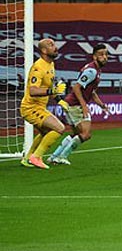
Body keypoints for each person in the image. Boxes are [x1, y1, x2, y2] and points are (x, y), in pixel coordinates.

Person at [47, 44, 110, 165]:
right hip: (75, 105)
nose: (105, 57)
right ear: (94, 56)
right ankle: (62, 157)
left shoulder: (96, 70)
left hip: (70, 103)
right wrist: (84, 105)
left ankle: (54, 156)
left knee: (76, 134)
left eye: (106, 54)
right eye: (101, 54)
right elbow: (76, 87)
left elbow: (91, 92)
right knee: (85, 134)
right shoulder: (91, 71)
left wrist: (101, 105)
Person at [19, 38, 67, 169]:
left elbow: (49, 87)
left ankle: (28, 158)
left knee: (46, 132)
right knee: (59, 128)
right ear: (44, 50)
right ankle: (37, 157)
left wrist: (59, 100)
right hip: (31, 107)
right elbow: (33, 90)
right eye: (51, 45)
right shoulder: (38, 67)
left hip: (38, 107)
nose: (55, 47)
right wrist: (53, 90)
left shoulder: (50, 64)